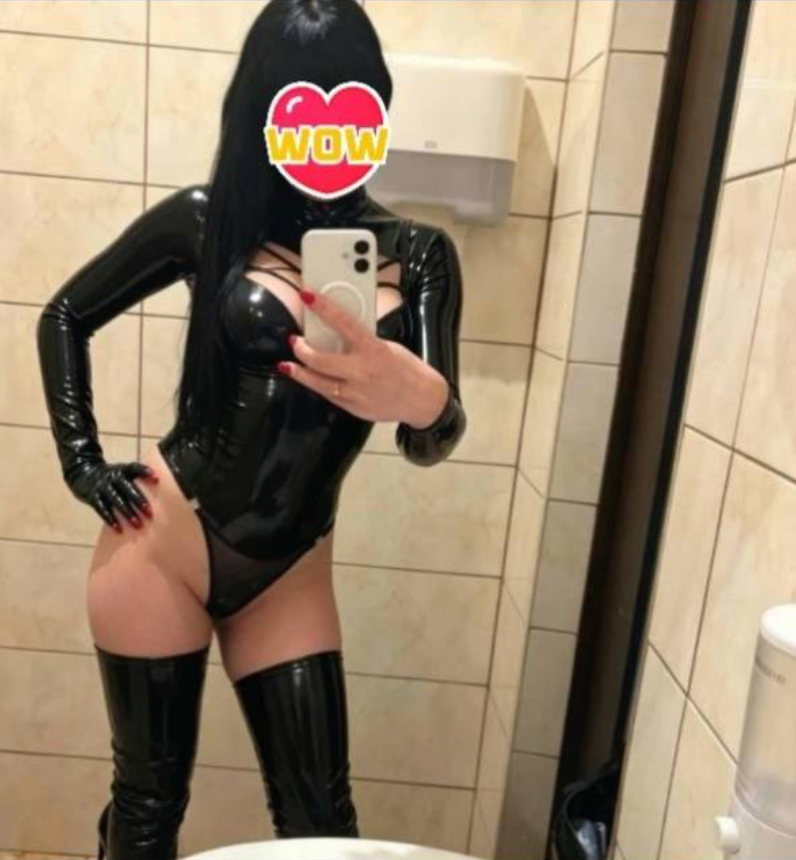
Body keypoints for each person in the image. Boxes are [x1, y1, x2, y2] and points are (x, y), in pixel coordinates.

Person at [36, 0, 466, 857]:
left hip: (292, 572)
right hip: (163, 546)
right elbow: (65, 316)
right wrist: (82, 464)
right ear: (265, 116)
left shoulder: (418, 256)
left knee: (322, 825)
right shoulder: (209, 221)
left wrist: (422, 400)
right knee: (150, 809)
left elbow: (428, 441)